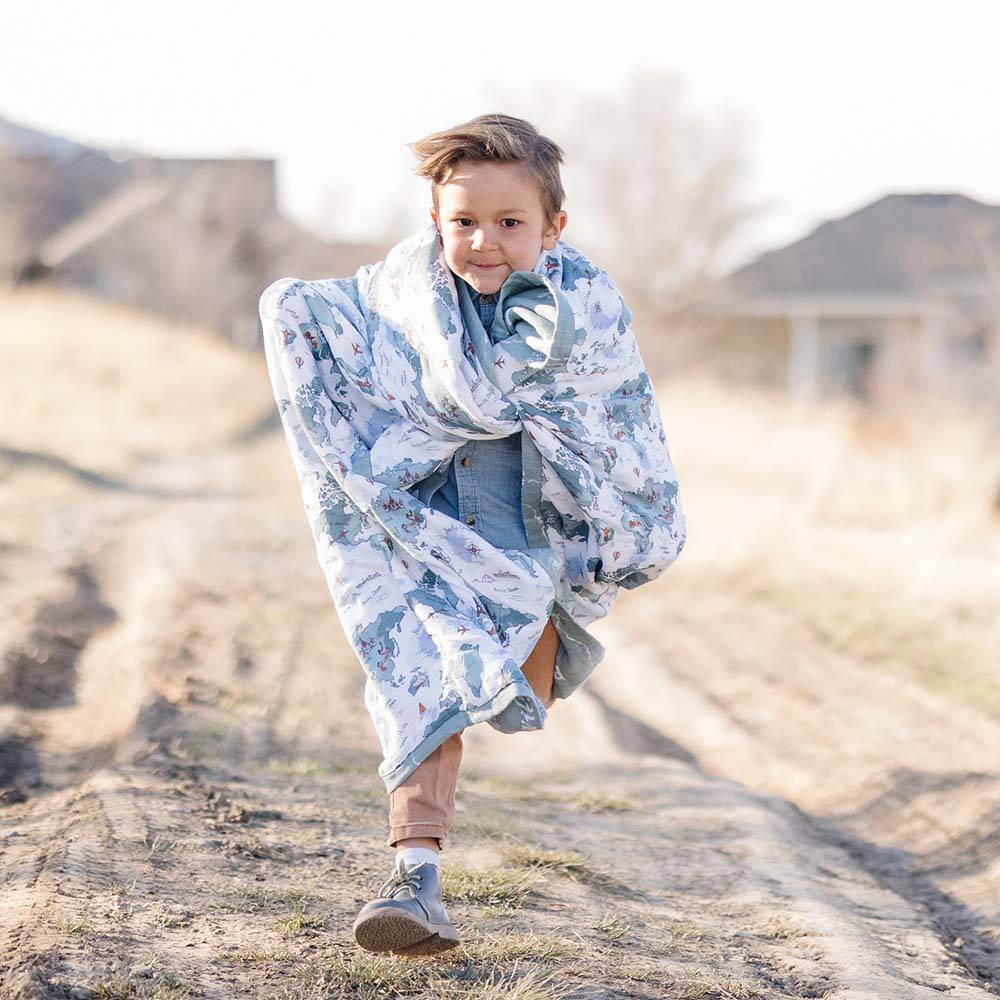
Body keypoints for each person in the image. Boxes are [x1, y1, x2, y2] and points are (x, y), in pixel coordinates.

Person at [258, 113, 685, 958]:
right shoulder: (398, 302)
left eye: (510, 223)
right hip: (425, 530)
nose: (484, 241)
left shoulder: (585, 308)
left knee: (517, 683)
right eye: (463, 223)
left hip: (530, 540)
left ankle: (543, 646)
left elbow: (615, 419)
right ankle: (413, 877)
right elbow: (318, 324)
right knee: (427, 687)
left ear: (554, 227)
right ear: (435, 223)